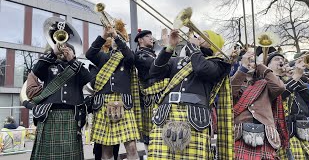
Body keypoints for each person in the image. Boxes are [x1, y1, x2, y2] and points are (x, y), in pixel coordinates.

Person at [148, 29, 233, 159]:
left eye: (204, 36)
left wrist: (193, 47)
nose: (198, 37)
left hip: (194, 119)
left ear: (213, 43)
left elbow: (201, 69)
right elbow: (154, 72)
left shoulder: (218, 63)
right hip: (167, 114)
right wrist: (169, 47)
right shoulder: (179, 60)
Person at [29, 17, 92, 160]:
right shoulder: (47, 64)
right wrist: (52, 53)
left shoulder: (77, 67)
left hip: (71, 115)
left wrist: (73, 60)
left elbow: (89, 79)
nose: (64, 48)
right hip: (49, 114)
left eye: (67, 46)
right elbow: (36, 71)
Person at [86, 24, 141, 160]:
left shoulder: (128, 57)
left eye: (121, 37)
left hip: (124, 103)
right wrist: (103, 36)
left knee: (132, 147)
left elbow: (131, 58)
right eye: (115, 37)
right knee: (107, 149)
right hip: (104, 102)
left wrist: (116, 36)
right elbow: (89, 54)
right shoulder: (103, 57)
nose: (117, 40)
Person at [231, 48, 288, 159]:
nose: (251, 64)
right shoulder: (237, 79)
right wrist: (242, 68)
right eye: (249, 61)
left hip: (266, 135)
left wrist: (262, 68)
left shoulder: (266, 83)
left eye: (254, 61)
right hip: (240, 134)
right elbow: (230, 92)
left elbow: (280, 87)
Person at [276, 51, 309, 159]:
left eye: (284, 61)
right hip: (286, 133)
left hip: (306, 129)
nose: (283, 63)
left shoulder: (294, 80)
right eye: (277, 60)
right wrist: (295, 77)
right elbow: (280, 96)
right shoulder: (272, 81)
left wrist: (298, 79)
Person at [134, 28, 170, 158]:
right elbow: (157, 66)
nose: (151, 38)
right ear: (140, 40)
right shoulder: (139, 55)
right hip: (151, 95)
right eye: (148, 36)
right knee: (152, 131)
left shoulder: (153, 54)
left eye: (151, 36)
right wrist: (167, 47)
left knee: (163, 129)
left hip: (161, 93)